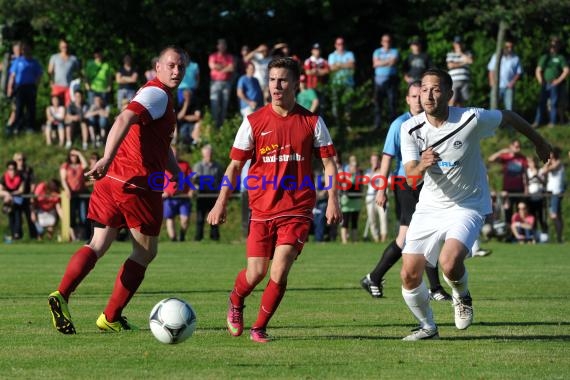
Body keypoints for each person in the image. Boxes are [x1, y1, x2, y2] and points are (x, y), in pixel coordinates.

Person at [398, 67, 551, 340]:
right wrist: (422, 164)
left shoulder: (470, 118)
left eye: (435, 89)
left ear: (449, 93)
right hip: (430, 207)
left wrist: (539, 142)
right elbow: (410, 178)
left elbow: (510, 116)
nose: (429, 96)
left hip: (467, 204)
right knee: (409, 274)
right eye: (424, 90)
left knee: (449, 261)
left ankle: (461, 295)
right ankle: (428, 327)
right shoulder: (409, 128)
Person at [47, 46, 187, 335]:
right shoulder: (157, 93)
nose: (176, 71)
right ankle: (110, 316)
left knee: (97, 244)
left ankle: (61, 294)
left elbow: (158, 143)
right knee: (145, 253)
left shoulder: (156, 95)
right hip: (137, 186)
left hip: (111, 182)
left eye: (181, 67)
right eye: (171, 65)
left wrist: (176, 172)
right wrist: (106, 157)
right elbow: (123, 119)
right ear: (157, 67)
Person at [207, 57, 341, 343]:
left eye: (282, 80)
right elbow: (234, 166)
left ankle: (259, 327)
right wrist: (220, 202)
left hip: (297, 208)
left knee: (280, 268)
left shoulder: (312, 121)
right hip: (261, 209)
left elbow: (329, 163)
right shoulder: (253, 122)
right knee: (255, 273)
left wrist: (333, 200)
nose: (276, 86)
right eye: (272, 80)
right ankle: (236, 299)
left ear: (296, 83)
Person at [360, 81, 452, 301]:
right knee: (412, 234)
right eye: (412, 96)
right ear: (407, 99)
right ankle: (434, 288)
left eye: (419, 95)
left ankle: (375, 277)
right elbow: (386, 158)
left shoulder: (430, 121)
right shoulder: (399, 124)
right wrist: (381, 190)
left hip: (426, 183)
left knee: (422, 234)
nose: (417, 100)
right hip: (404, 183)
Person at [488, 139, 528, 232]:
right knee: (508, 211)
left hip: (519, 189)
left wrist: (526, 188)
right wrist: (502, 151)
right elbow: (491, 159)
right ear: (511, 147)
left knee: (520, 212)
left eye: (519, 147)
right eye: (516, 146)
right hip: (508, 190)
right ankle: (509, 233)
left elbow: (525, 175)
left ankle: (520, 233)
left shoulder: (522, 158)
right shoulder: (506, 158)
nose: (518, 148)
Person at [532, 37, 569, 128]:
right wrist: (541, 81)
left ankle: (552, 122)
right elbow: (538, 70)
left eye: (555, 45)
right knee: (542, 102)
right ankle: (537, 122)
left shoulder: (560, 58)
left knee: (554, 103)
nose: (553, 47)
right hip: (545, 84)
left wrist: (558, 80)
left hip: (555, 84)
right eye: (552, 45)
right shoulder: (545, 57)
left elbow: (566, 70)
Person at [6, 42, 43, 134]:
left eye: (27, 49)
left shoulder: (34, 62)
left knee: (31, 107)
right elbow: (12, 76)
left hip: (30, 87)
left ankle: (30, 127)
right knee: (19, 107)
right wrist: (10, 88)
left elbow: (39, 74)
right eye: (24, 49)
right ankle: (17, 126)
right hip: (20, 87)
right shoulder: (18, 61)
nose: (25, 51)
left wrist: (36, 85)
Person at [193, 144, 223, 241]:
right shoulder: (198, 166)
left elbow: (221, 180)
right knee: (200, 218)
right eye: (207, 154)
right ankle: (198, 237)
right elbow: (195, 180)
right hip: (202, 195)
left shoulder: (218, 166)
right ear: (203, 154)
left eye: (210, 153)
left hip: (214, 195)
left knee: (214, 218)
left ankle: (215, 237)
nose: (208, 155)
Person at [163, 147, 193, 242]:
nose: (174, 155)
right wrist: (162, 192)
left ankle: (182, 236)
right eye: (173, 153)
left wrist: (191, 191)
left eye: (176, 153)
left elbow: (190, 178)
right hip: (169, 197)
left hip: (183, 197)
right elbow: (157, 179)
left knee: (185, 219)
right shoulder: (163, 164)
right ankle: (173, 239)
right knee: (170, 218)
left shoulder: (185, 165)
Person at [60, 149, 89, 241]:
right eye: (72, 155)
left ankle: (81, 236)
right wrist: (67, 190)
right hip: (70, 194)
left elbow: (86, 165)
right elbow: (63, 179)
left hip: (80, 193)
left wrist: (79, 153)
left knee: (82, 215)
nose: (74, 157)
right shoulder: (66, 166)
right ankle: (73, 236)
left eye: (75, 155)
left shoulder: (80, 166)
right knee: (71, 216)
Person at [372, 33, 399, 130]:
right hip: (378, 81)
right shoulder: (377, 51)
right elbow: (375, 64)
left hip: (391, 80)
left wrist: (381, 62)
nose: (386, 43)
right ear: (381, 42)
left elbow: (393, 62)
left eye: (388, 41)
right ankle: (378, 124)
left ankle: (393, 125)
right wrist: (387, 61)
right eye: (385, 41)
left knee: (392, 103)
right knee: (378, 103)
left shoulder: (394, 51)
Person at [487, 38, 523, 111]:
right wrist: (491, 82)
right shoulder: (496, 56)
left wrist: (512, 82)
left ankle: (509, 122)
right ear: (503, 47)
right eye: (507, 47)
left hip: (508, 87)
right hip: (496, 86)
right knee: (493, 107)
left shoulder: (516, 58)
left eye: (511, 47)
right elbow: (491, 70)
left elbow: (519, 72)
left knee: (509, 108)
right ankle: (494, 122)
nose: (509, 49)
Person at [328, 37, 355, 125]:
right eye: (339, 44)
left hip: (348, 83)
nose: (341, 46)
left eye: (342, 43)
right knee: (336, 103)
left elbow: (352, 65)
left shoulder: (350, 54)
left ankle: (347, 123)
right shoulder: (331, 55)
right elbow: (331, 68)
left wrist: (338, 64)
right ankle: (337, 123)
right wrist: (346, 64)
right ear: (335, 45)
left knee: (348, 103)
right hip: (336, 83)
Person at [208, 38, 235, 128]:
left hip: (226, 83)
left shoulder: (229, 57)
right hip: (215, 83)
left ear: (226, 47)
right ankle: (215, 126)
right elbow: (212, 66)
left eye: (224, 45)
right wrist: (225, 67)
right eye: (220, 45)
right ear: (217, 46)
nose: (222, 47)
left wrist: (220, 68)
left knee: (224, 105)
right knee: (215, 105)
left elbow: (231, 68)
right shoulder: (213, 56)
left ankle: (221, 126)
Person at [363, 153, 388, 243]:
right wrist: (372, 172)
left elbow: (389, 182)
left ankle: (383, 238)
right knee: (372, 219)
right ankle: (376, 238)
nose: (374, 162)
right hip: (370, 198)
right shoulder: (368, 172)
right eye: (373, 160)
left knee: (383, 218)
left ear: (380, 161)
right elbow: (365, 182)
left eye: (376, 160)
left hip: (381, 197)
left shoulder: (384, 171)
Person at [48, 39, 80, 106]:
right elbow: (50, 71)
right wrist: (51, 81)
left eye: (66, 46)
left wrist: (76, 83)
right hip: (57, 86)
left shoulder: (73, 59)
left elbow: (78, 71)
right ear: (59, 47)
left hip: (69, 87)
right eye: (63, 47)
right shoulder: (54, 57)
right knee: (56, 106)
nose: (64, 48)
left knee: (68, 107)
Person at [542, 146, 565, 243]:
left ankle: (559, 238)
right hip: (551, 191)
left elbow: (545, 170)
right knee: (557, 215)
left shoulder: (558, 163)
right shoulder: (552, 163)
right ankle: (559, 238)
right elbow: (543, 171)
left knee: (554, 215)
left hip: (556, 192)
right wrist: (548, 161)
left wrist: (549, 161)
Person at [13, 152, 37, 240]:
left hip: (27, 197)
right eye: (19, 160)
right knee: (17, 218)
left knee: (30, 218)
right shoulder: (13, 171)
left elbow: (32, 182)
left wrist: (31, 194)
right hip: (17, 197)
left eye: (23, 160)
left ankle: (33, 237)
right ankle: (17, 236)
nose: (21, 162)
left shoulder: (28, 170)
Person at [340, 155, 363, 244]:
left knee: (354, 222)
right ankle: (344, 240)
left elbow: (359, 186)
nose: (354, 168)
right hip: (346, 202)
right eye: (352, 166)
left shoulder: (359, 176)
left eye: (355, 166)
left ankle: (354, 239)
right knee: (345, 221)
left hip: (356, 201)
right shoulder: (345, 176)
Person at [0, 160, 24, 241]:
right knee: (11, 217)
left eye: (13, 169)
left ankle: (17, 234)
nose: (12, 171)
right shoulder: (3, 178)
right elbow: (0, 190)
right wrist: (7, 194)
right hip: (8, 200)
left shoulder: (20, 177)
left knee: (18, 216)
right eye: (10, 169)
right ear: (7, 170)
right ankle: (14, 234)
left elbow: (21, 190)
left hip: (17, 199)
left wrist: (12, 195)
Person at [446, 36, 473, 107]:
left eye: (460, 43)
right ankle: (448, 117)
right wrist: (463, 62)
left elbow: (470, 61)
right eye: (457, 43)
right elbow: (450, 65)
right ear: (454, 44)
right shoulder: (450, 54)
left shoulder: (467, 53)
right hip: (454, 80)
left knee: (462, 101)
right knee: (452, 100)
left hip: (465, 80)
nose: (459, 45)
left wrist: (460, 53)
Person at [526, 155, 548, 235]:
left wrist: (537, 176)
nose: (531, 164)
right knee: (532, 217)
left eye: (532, 162)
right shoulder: (527, 171)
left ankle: (545, 234)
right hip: (531, 198)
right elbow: (526, 183)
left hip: (540, 198)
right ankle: (534, 235)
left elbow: (544, 183)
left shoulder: (540, 170)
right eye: (529, 162)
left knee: (542, 217)